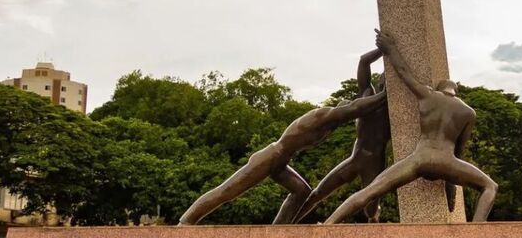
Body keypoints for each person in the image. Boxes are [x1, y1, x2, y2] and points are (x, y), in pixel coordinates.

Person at [325, 29, 497, 224]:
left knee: (370, 190)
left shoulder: (429, 96)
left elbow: (404, 72)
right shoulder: (469, 113)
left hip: (419, 159)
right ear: (455, 92)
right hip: (446, 162)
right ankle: (475, 230)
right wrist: (451, 187)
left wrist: (390, 48)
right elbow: (458, 152)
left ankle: (328, 224)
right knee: (490, 187)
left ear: (439, 88)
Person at [178, 88, 387, 225]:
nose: (349, 118)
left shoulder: (328, 127)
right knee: (227, 191)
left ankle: (278, 230)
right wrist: (385, 95)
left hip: (282, 163)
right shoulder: (322, 115)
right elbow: (356, 107)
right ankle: (186, 220)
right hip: (270, 157)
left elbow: (357, 108)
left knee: (302, 191)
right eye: (347, 113)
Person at [294, 48, 391, 223]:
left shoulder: (394, 113)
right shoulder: (366, 95)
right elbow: (364, 61)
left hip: (374, 163)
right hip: (356, 158)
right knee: (318, 193)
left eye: (390, 81)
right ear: (380, 81)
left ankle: (375, 217)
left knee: (370, 211)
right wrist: (382, 49)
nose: (386, 83)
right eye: (385, 79)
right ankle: (289, 223)